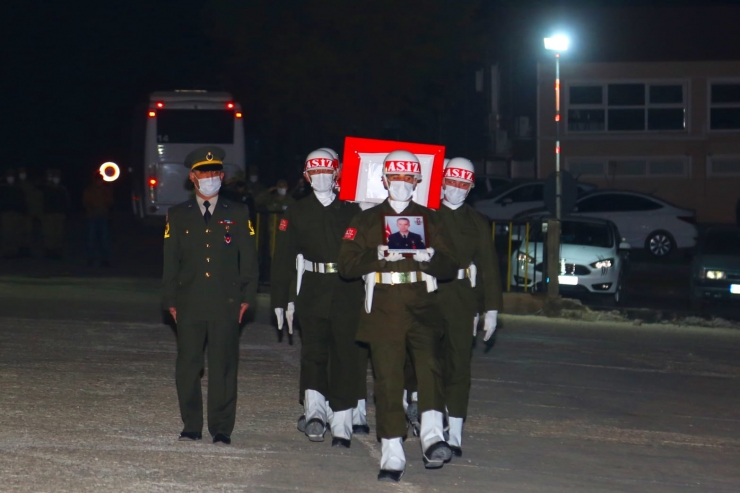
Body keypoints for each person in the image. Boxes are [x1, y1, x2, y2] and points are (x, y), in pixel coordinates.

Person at [339, 150, 458, 481]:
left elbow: (451, 265)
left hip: (423, 302)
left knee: (430, 369)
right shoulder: (365, 219)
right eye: (396, 177)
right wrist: (375, 256)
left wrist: (431, 256)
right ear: (385, 179)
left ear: (418, 181)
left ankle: (433, 437)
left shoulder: (432, 219)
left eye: (409, 178)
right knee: (388, 379)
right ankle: (392, 451)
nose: (402, 185)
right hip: (384, 304)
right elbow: (347, 266)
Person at [162, 146, 259, 445]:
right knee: (188, 366)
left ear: (222, 176)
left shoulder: (238, 212)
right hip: (189, 301)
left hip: (226, 301)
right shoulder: (178, 215)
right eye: (204, 173)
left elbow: (249, 260)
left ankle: (221, 428)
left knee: (224, 367)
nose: (210, 178)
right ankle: (192, 424)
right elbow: (170, 260)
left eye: (215, 172)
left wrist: (248, 297)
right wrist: (170, 300)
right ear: (193, 177)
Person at [271, 149, 367, 447]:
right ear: (307, 176)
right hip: (312, 288)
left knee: (346, 354)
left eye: (328, 172)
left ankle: (342, 419)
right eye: (316, 172)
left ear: (337, 174)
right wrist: (281, 299)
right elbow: (284, 258)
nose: (322, 178)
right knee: (313, 352)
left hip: (347, 289)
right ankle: (314, 413)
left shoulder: (353, 210)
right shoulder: (296, 211)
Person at [436, 157, 503, 457]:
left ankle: (456, 430)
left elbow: (488, 267)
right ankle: (429, 421)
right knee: (425, 362)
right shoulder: (425, 214)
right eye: (453, 182)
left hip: (463, 297)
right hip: (428, 295)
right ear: (442, 182)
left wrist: (491, 309)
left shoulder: (477, 221)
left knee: (459, 365)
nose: (457, 189)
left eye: (464, 184)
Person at [82, 171, 115, 267]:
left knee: (104, 239)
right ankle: (90, 259)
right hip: (92, 217)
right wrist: (91, 209)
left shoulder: (106, 190)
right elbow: (85, 202)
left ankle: (105, 259)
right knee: (91, 239)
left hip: (103, 216)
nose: (99, 182)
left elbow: (110, 202)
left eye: (100, 180)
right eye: (98, 180)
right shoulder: (89, 190)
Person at [41, 169, 69, 259]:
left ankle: (57, 251)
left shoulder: (62, 189)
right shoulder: (46, 188)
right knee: (49, 233)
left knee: (58, 233)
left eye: (57, 177)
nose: (56, 178)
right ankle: (49, 251)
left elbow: (66, 202)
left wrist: (65, 212)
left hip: (59, 214)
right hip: (48, 213)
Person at [0, 168, 27, 258]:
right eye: (9, 176)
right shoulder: (2, 187)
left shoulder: (18, 187)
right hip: (6, 213)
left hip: (16, 213)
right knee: (7, 232)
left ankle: (14, 251)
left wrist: (22, 211)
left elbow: (22, 200)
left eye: (12, 176)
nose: (10, 178)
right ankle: (7, 251)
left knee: (16, 233)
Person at [17, 166, 43, 257]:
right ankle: (17, 249)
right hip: (17, 212)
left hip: (27, 212)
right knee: (17, 231)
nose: (22, 175)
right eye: (21, 173)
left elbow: (35, 199)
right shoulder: (16, 185)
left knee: (27, 232)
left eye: (23, 173)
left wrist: (36, 213)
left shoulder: (29, 186)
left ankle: (26, 249)